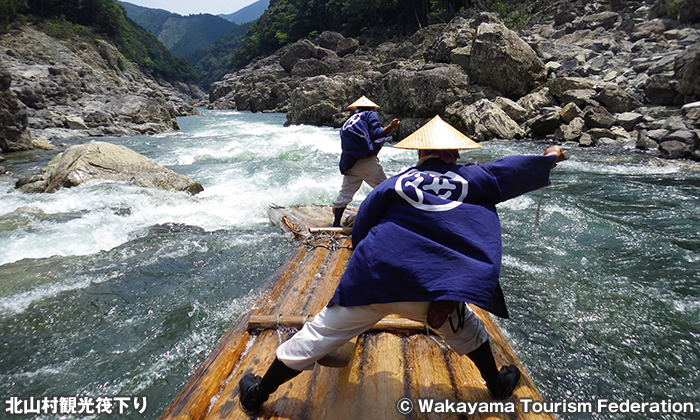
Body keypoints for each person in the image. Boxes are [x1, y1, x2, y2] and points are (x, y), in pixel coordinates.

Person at [239, 115, 568, 413]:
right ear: (454, 153)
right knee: (468, 330)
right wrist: (551, 156)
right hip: (437, 287)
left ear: (420, 154)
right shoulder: (480, 177)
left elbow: (363, 228)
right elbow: (520, 169)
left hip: (377, 277)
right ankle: (496, 384)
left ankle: (258, 393)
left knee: (317, 335)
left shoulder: (392, 184)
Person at [332, 96, 400, 227]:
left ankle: (336, 224)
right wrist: (391, 127)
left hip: (350, 162)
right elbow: (375, 134)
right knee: (385, 188)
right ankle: (392, 219)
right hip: (366, 161)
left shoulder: (351, 119)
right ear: (372, 107)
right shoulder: (371, 115)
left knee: (345, 193)